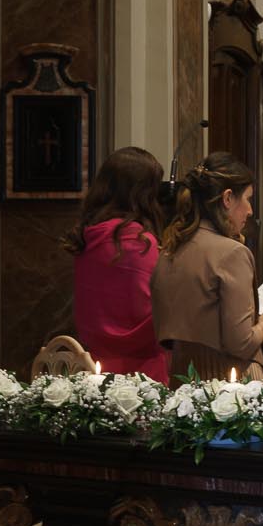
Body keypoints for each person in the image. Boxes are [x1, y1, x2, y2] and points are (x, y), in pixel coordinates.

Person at [150, 153, 263, 381]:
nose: (250, 211)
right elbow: (241, 345)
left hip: (184, 377)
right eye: (248, 199)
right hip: (229, 381)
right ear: (228, 198)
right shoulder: (232, 253)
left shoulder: (169, 250)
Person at [63, 146, 170, 382]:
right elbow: (151, 313)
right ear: (144, 194)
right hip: (142, 369)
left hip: (95, 364)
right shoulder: (139, 241)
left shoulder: (88, 236)